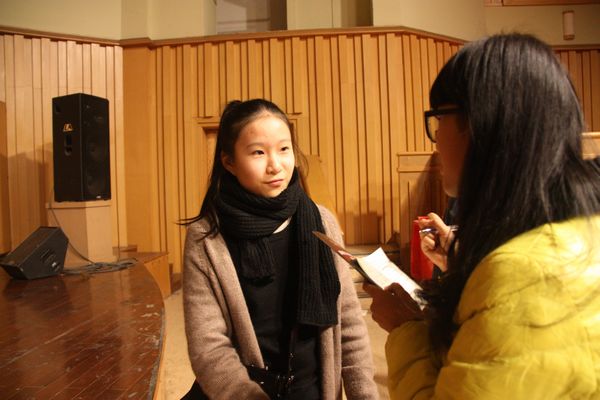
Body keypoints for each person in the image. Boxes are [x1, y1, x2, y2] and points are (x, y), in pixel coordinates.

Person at [364, 33, 600, 399]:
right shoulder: (576, 226)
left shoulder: (521, 278)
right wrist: (461, 260)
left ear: (481, 125)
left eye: (440, 118)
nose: (436, 137)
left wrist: (405, 328)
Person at [182, 99, 378, 400]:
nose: (275, 165)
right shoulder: (206, 239)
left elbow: (349, 322)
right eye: (258, 152)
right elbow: (208, 348)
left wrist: (364, 395)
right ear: (229, 162)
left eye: (284, 149)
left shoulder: (321, 221)